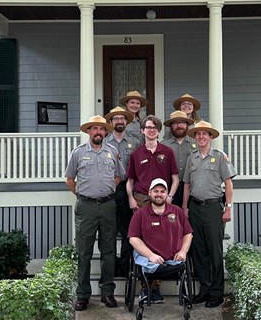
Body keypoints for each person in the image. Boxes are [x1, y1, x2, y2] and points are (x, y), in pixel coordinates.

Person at [65, 115, 125, 311]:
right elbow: (70, 179)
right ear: (89, 131)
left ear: (105, 132)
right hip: (86, 207)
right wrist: (84, 194)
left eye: (101, 129)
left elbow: (118, 176)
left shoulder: (112, 152)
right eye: (94, 128)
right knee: (84, 251)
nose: (98, 132)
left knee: (108, 251)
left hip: (108, 206)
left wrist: (105, 190)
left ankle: (107, 292)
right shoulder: (78, 153)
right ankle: (82, 295)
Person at [182, 121, 237, 308]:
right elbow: (187, 184)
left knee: (214, 251)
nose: (201, 137)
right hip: (195, 208)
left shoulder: (220, 157)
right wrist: (184, 207)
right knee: (199, 251)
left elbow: (228, 184)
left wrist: (228, 207)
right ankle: (204, 291)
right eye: (198, 134)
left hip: (213, 208)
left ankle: (217, 292)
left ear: (210, 137)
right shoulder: (192, 158)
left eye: (205, 134)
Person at [126, 114, 180, 303]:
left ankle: (155, 289)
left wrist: (170, 197)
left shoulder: (168, 152)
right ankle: (145, 288)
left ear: (158, 131)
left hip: (161, 199)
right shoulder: (136, 154)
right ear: (142, 131)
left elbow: (175, 178)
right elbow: (130, 180)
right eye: (148, 127)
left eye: (154, 128)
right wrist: (131, 198)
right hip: (141, 199)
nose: (151, 130)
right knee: (143, 241)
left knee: (159, 239)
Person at [128, 178, 193, 302]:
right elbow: (133, 238)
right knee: (145, 263)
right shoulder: (140, 214)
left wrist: (183, 251)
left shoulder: (177, 211)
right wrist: (150, 255)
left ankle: (157, 282)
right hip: (148, 258)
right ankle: (148, 288)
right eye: (156, 191)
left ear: (167, 193)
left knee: (179, 264)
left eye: (162, 191)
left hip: (173, 258)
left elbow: (188, 233)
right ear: (149, 193)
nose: (159, 194)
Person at [104, 106, 142, 277]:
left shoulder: (135, 143)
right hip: (109, 191)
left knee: (128, 230)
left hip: (128, 190)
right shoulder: (104, 142)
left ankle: (126, 266)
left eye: (122, 118)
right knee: (109, 231)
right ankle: (110, 268)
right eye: (115, 118)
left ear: (127, 122)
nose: (119, 121)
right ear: (111, 122)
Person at [161, 110, 195, 207]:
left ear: (187, 125)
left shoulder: (196, 143)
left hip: (191, 187)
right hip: (170, 188)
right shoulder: (163, 145)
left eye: (182, 122)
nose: (179, 125)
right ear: (171, 126)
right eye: (175, 123)